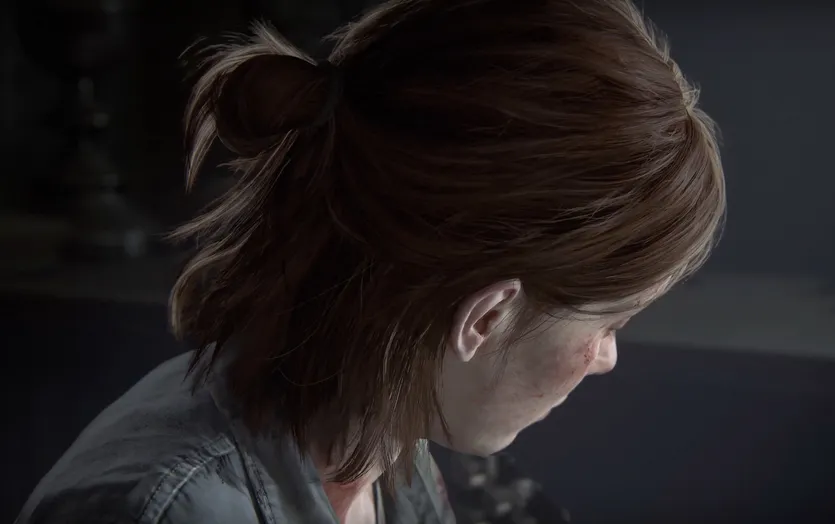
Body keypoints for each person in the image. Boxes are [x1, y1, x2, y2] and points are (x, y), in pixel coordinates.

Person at [17, 0, 725, 523]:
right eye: (610, 325)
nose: (605, 359)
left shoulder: (390, 452)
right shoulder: (170, 510)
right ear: (487, 316)